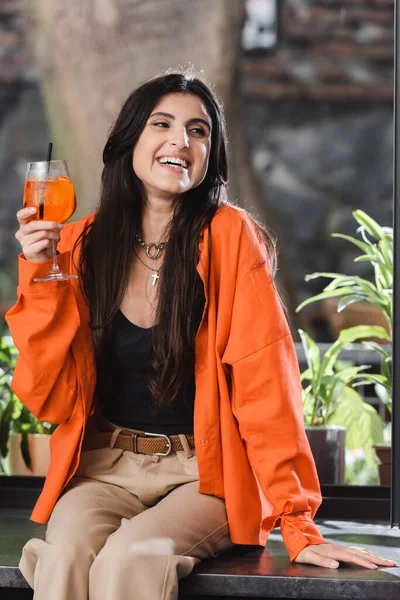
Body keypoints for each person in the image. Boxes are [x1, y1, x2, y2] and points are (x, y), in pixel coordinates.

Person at [6, 69, 396, 600]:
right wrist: (40, 274)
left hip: (203, 473)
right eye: (161, 124)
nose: (181, 142)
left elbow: (267, 384)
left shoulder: (231, 237)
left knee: (130, 559)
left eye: (199, 130)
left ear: (211, 152)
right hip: (105, 467)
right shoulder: (77, 246)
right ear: (129, 142)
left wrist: (298, 524)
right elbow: (46, 397)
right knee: (68, 554)